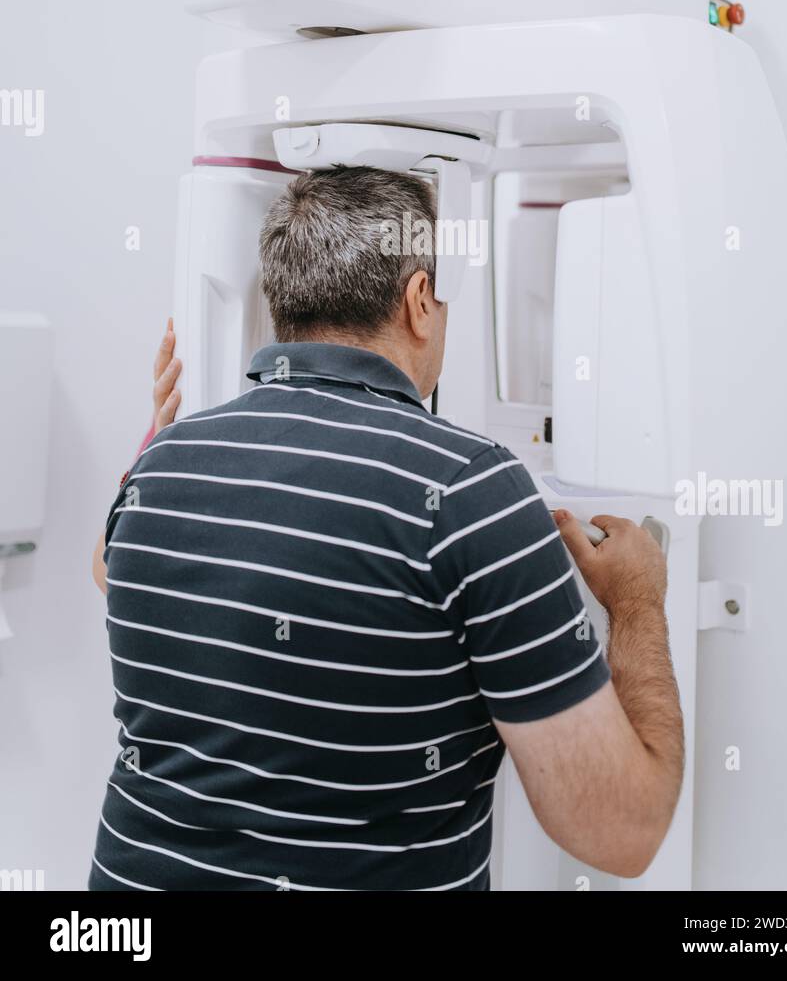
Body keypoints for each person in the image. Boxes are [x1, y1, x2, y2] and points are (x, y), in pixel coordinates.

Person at [90, 165, 683, 891]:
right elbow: (621, 835)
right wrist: (636, 602)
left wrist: (159, 432)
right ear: (418, 301)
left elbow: (110, 569)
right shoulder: (472, 489)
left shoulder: (165, 464)